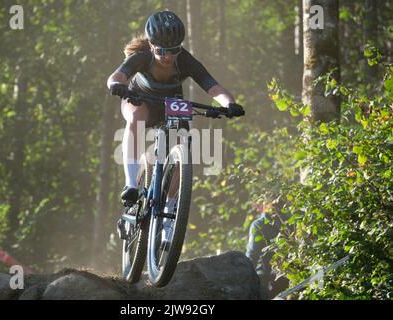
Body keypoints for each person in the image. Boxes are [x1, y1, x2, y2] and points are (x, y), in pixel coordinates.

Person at [107, 11, 244, 237]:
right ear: (151, 45)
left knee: (184, 146)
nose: (167, 56)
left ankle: (171, 210)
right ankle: (131, 185)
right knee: (136, 118)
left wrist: (230, 104)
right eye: (161, 50)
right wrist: (116, 86)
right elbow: (116, 77)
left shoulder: (186, 61)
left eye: (173, 50)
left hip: (171, 105)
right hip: (139, 101)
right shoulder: (142, 57)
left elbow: (213, 87)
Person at [246, 196, 290, 298]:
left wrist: (245, 279)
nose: (257, 209)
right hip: (290, 277)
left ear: (265, 204)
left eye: (257, 206)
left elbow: (252, 255)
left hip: (267, 280)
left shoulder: (258, 225)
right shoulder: (290, 219)